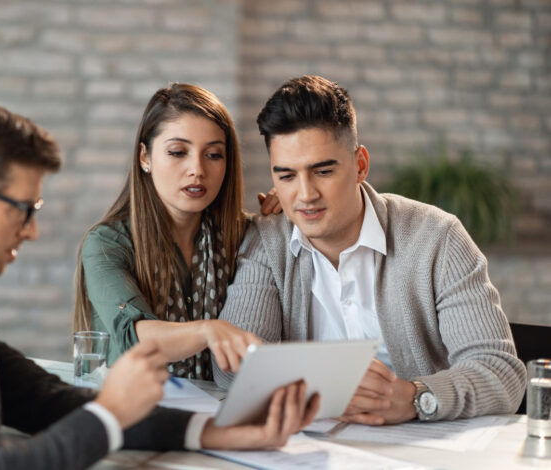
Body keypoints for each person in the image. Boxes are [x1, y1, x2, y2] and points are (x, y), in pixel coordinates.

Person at [0, 98, 320, 470]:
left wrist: (210, 434)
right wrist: (111, 412)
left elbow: (40, 398)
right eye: (22, 207)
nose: (33, 227)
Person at [213, 75, 526, 425]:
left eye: (323, 171)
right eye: (286, 176)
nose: (305, 194)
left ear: (360, 164)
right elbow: (234, 370)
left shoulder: (437, 238)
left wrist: (415, 397)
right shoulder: (268, 242)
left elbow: (501, 374)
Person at [74, 83, 271, 381]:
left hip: (217, 415)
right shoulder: (106, 244)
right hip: (135, 413)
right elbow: (137, 338)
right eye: (178, 152)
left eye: (214, 155)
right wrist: (209, 330)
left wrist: (290, 207)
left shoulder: (245, 235)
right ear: (145, 157)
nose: (197, 169)